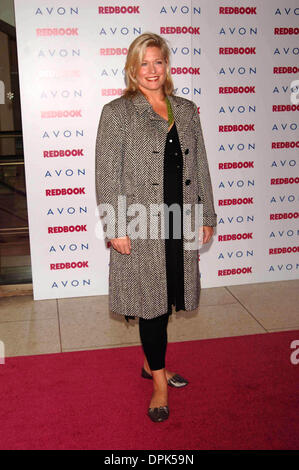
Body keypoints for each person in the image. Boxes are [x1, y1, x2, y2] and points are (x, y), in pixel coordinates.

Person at [95, 32, 217, 423]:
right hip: (140, 224)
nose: (151, 70)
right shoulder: (117, 112)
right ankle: (159, 383)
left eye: (158, 62)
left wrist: (207, 215)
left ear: (167, 66)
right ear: (132, 68)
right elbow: (106, 175)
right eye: (143, 63)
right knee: (150, 304)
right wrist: (116, 226)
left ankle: (152, 363)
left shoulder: (185, 108)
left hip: (178, 221)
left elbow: (200, 166)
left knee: (167, 299)